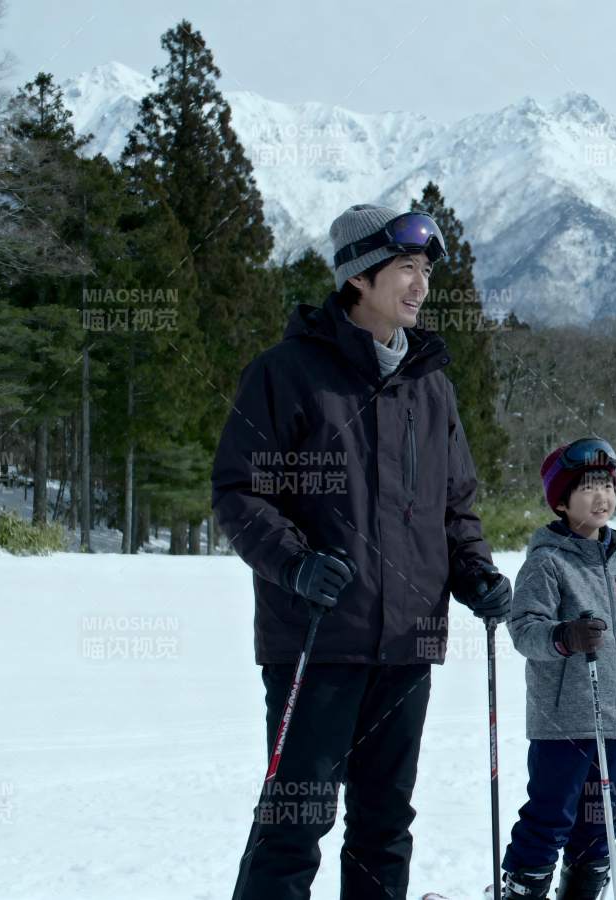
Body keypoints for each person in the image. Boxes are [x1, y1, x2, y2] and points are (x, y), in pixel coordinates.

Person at [212, 203, 512, 900]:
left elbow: (454, 506)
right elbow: (240, 493)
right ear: (359, 279)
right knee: (296, 821)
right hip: (319, 636)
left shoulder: (430, 384)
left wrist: (477, 576)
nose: (420, 285)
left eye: (425, 271)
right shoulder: (288, 373)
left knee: (385, 824)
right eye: (406, 268)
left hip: (409, 641)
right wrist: (295, 562)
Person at [501, 437, 616, 899]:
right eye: (587, 488)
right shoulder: (547, 562)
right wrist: (563, 637)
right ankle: (523, 889)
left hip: (614, 724)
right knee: (551, 814)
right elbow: (524, 631)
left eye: (607, 486)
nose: (602, 497)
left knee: (599, 822)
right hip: (563, 723)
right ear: (561, 500)